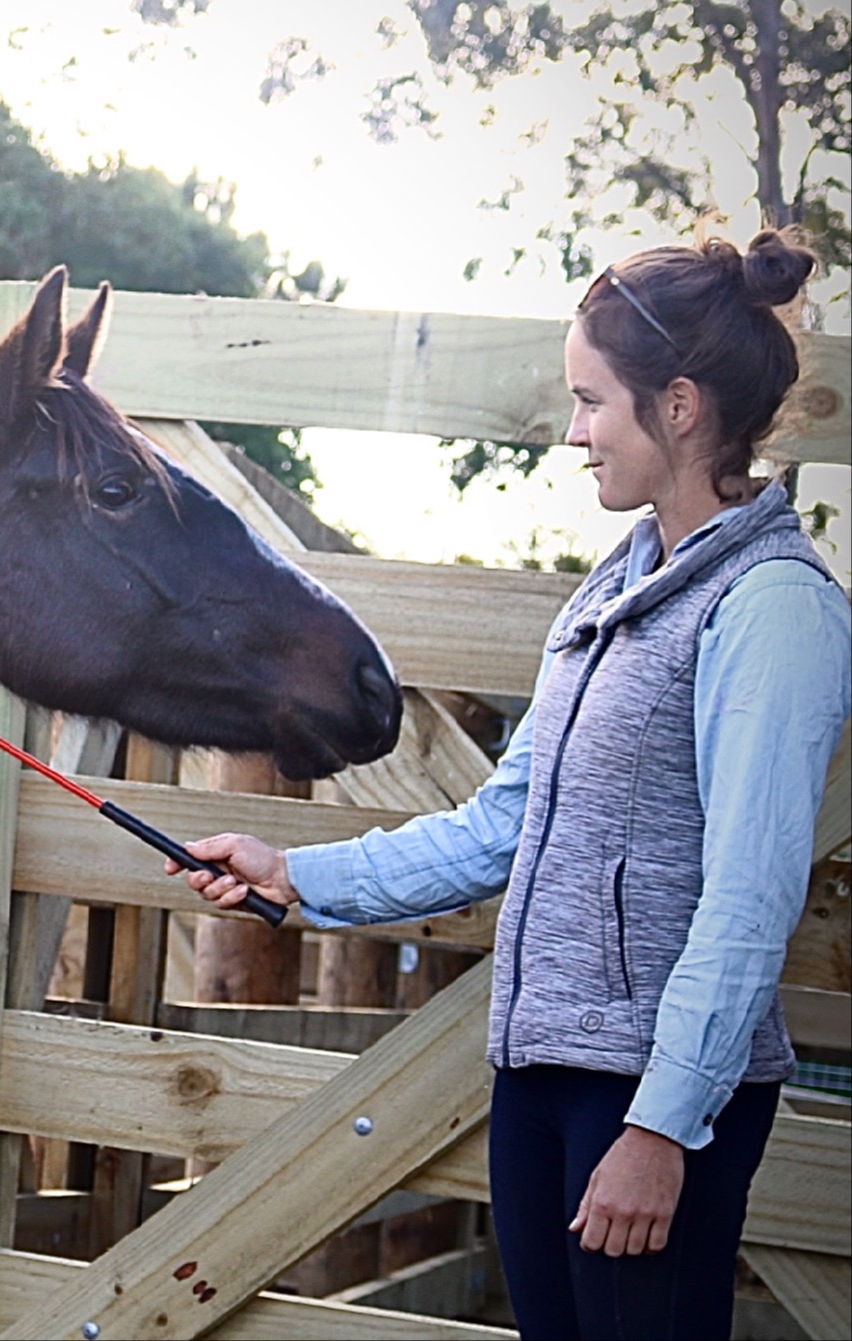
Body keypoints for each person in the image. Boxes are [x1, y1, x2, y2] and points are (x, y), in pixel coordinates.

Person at [171, 228, 850, 1341]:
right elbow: (503, 824)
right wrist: (294, 874)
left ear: (676, 407)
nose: (574, 432)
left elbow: (747, 897)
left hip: (648, 1099)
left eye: (592, 402)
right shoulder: (609, 593)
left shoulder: (772, 609)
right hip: (537, 1072)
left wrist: (662, 1129)